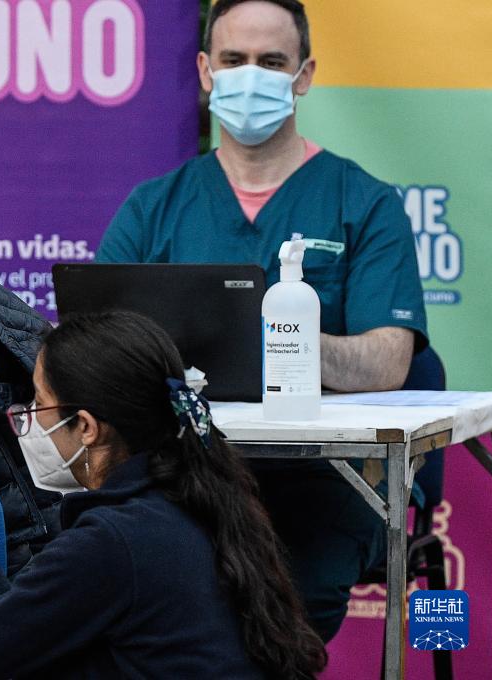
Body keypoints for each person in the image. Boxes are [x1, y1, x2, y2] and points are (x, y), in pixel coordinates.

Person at [96, 0, 427, 641]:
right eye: (234, 59)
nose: (251, 76)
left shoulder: (364, 203)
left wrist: (283, 344)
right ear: (205, 70)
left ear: (304, 75)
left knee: (280, 621)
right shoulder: (153, 207)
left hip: (324, 478)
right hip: (183, 472)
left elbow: (390, 358)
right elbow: (97, 345)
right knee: (136, 592)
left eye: (271, 62)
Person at [0, 311, 328, 679]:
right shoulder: (187, 501)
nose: (29, 418)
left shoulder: (115, 539)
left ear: (86, 427)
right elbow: (17, 635)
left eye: (39, 402)